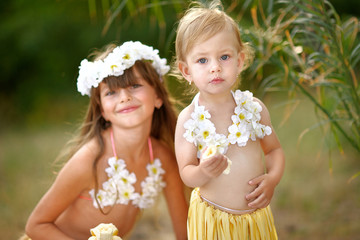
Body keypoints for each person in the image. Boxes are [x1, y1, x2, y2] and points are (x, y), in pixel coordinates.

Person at [23, 41, 188, 240]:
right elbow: (36, 225)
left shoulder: (162, 158)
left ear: (158, 97)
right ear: (103, 110)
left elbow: (183, 230)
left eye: (135, 85)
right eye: (111, 92)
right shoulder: (90, 160)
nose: (125, 97)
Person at [173, 1, 285, 239]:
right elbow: (186, 173)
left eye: (224, 57)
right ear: (186, 71)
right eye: (202, 60)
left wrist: (272, 179)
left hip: (254, 217)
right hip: (213, 220)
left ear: (239, 61)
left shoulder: (254, 108)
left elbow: (273, 150)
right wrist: (203, 171)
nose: (215, 67)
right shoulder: (188, 119)